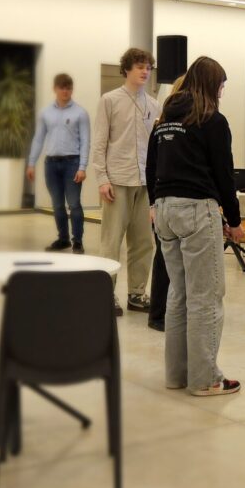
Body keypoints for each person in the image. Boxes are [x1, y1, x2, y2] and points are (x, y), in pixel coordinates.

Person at [148, 56, 244, 396]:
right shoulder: (212, 120)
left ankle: (177, 375)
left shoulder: (164, 120)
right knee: (206, 297)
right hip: (196, 211)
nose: (221, 92)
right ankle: (206, 379)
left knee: (179, 293)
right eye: (221, 86)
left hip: (164, 212)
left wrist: (154, 204)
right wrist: (235, 221)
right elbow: (224, 175)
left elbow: (151, 166)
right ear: (210, 85)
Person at [90, 48, 160, 316]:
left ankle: (137, 293)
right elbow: (99, 143)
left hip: (145, 183)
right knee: (111, 241)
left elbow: (155, 148)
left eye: (148, 67)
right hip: (117, 180)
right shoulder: (109, 100)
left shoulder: (154, 105)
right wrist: (102, 179)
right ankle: (105, 293)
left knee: (143, 242)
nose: (145, 71)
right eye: (140, 66)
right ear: (127, 69)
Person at [26, 72, 91, 254]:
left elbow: (86, 141)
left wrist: (82, 167)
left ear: (72, 90)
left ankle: (77, 241)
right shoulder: (46, 113)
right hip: (51, 165)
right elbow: (38, 139)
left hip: (72, 163)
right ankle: (63, 239)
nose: (65, 91)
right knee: (57, 204)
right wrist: (31, 162)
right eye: (62, 88)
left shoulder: (80, 113)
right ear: (55, 89)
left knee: (74, 204)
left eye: (68, 88)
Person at [145, 73, 186, 333]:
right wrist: (153, 204)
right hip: (167, 203)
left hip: (165, 202)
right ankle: (158, 313)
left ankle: (167, 312)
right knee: (164, 259)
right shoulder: (163, 126)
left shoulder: (164, 125)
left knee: (169, 259)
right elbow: (151, 167)